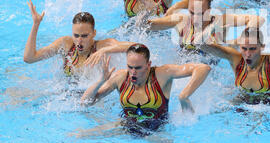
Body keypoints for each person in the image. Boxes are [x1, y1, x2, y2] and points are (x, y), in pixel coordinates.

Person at [80, 44, 211, 135]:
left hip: (158, 133)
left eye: (137, 68)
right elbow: (86, 102)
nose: (132, 72)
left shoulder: (162, 74)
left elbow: (203, 68)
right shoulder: (120, 77)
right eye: (130, 67)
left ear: (148, 65)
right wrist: (101, 80)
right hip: (126, 128)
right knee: (81, 135)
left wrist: (184, 95)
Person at [23, 0, 135, 77]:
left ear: (94, 33)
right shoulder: (66, 45)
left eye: (84, 36)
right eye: (76, 35)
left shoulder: (102, 45)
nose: (79, 41)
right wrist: (36, 24)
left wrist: (105, 50)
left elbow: (136, 47)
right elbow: (29, 58)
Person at [146, 0, 265, 54]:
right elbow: (148, 27)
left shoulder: (220, 20)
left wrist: (246, 37)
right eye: (192, 12)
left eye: (201, 14)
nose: (196, 18)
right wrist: (147, 13)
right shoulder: (181, 20)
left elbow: (258, 19)